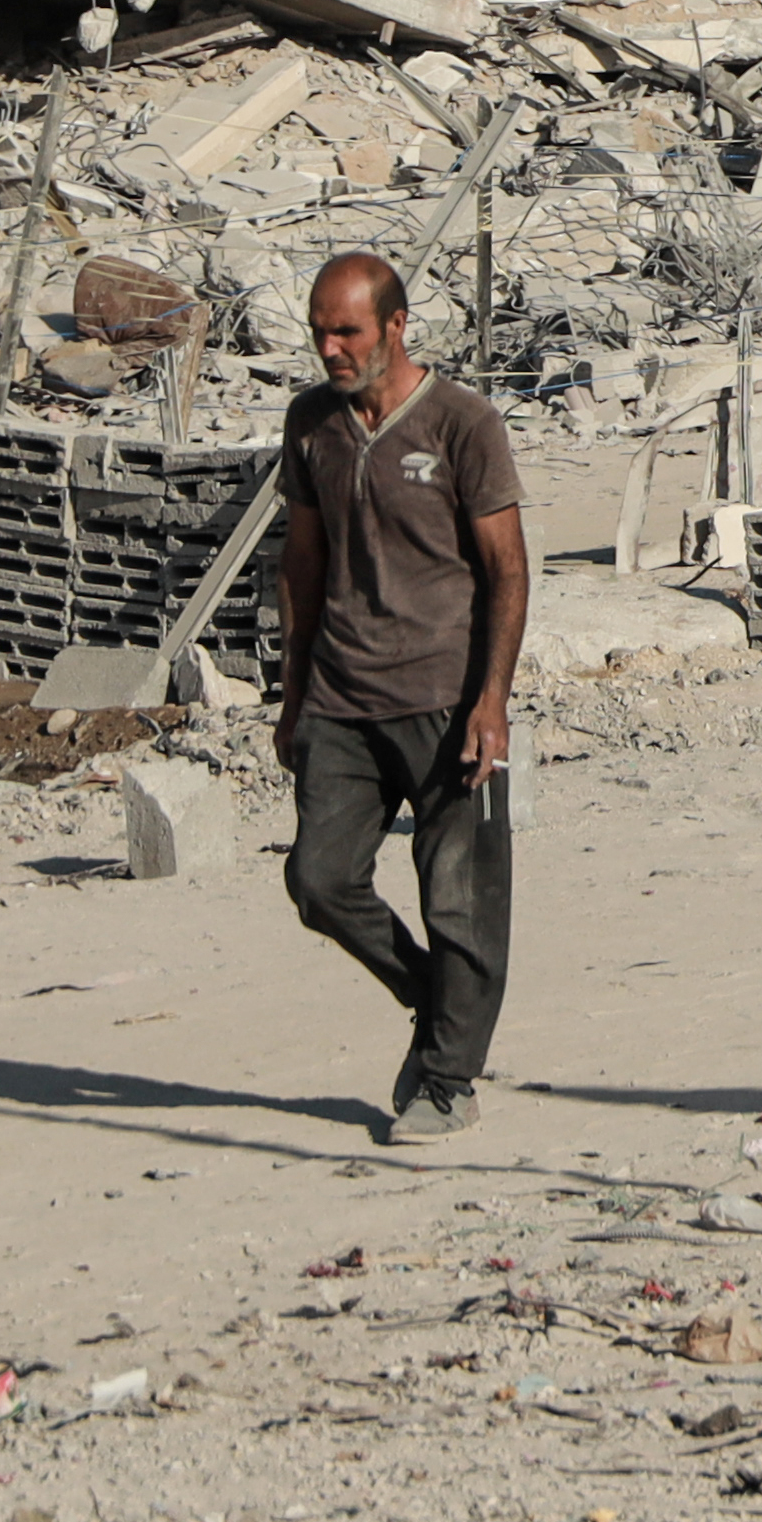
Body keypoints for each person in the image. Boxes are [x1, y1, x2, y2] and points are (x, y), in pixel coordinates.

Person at [272, 249, 529, 1144]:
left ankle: (450, 1078)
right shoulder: (311, 424)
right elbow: (300, 564)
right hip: (342, 696)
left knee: (460, 899)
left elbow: (507, 570)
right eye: (319, 333)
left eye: (347, 331)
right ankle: (436, 1006)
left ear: (395, 326)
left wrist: (491, 701)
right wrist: (293, 691)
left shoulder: (464, 425)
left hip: (445, 699)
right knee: (318, 879)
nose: (331, 349)